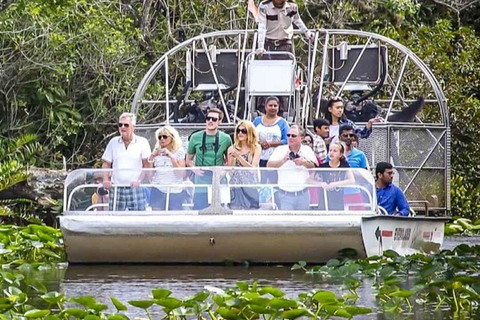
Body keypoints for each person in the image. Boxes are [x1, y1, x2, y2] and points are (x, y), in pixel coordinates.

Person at [101, 113, 151, 211]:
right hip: (117, 187)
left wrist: (139, 181)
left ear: (133, 127)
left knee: (137, 219)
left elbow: (146, 165)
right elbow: (106, 163)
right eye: (120, 125)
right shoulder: (113, 142)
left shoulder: (142, 142)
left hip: (136, 188)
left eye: (126, 125)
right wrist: (106, 180)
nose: (122, 127)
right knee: (114, 219)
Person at [187, 108, 232, 209]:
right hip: (201, 180)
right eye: (208, 118)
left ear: (220, 121)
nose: (210, 121)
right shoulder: (195, 137)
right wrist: (194, 168)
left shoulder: (226, 138)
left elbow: (230, 162)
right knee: (199, 210)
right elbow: (188, 160)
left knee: (221, 211)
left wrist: (223, 171)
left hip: (219, 179)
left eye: (214, 119)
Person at [267, 125, 317, 210]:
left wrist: (303, 162)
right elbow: (269, 166)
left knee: (303, 222)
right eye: (288, 135)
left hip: (303, 194)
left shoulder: (307, 150)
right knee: (287, 223)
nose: (290, 138)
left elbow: (314, 165)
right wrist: (283, 161)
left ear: (301, 138)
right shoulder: (280, 150)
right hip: (285, 194)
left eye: (293, 136)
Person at [253, 96, 289, 189]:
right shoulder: (257, 121)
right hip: (259, 159)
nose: (273, 108)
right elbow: (250, 136)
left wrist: (270, 143)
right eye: (270, 105)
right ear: (265, 107)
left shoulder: (283, 123)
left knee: (275, 186)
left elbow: (287, 140)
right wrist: (260, 142)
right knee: (260, 185)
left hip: (275, 160)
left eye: (275, 106)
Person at [147, 126, 186, 211]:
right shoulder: (156, 151)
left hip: (175, 190)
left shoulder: (179, 151)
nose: (162, 139)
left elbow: (181, 174)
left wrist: (172, 158)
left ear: (172, 137)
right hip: (158, 189)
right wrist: (151, 158)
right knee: (157, 219)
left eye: (165, 136)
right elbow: (149, 175)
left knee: (174, 219)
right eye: (159, 137)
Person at [227, 120, 261, 209]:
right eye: (238, 130)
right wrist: (233, 157)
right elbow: (230, 171)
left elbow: (252, 169)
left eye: (244, 131)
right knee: (235, 210)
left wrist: (239, 157)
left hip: (250, 185)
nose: (240, 133)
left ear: (249, 132)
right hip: (236, 186)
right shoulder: (231, 148)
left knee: (252, 212)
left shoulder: (256, 148)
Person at [314, 143, 355, 210]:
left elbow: (352, 180)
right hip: (324, 199)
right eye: (330, 150)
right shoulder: (323, 166)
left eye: (335, 151)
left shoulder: (344, 165)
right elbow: (310, 180)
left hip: (338, 199)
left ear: (340, 154)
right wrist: (321, 184)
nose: (331, 153)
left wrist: (335, 184)